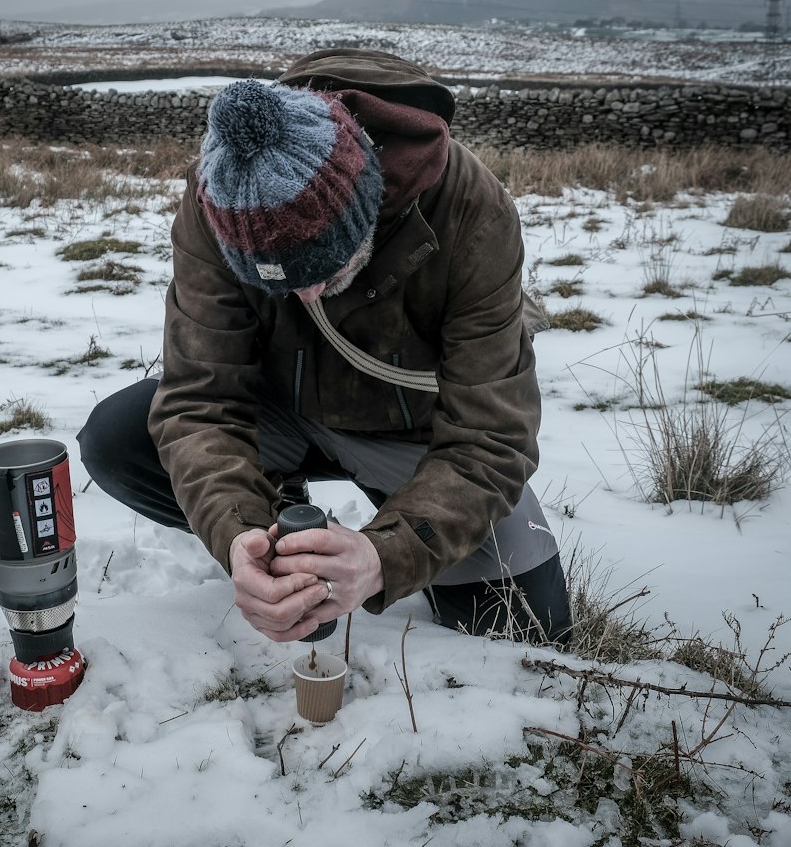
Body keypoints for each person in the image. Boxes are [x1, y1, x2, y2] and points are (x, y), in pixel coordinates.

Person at [77, 48, 571, 646]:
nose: (305, 293)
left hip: (421, 436)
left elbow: (491, 438)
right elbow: (199, 402)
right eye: (275, 282)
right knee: (120, 438)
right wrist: (242, 534)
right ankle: (285, 515)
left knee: (526, 634)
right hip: (284, 415)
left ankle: (378, 535)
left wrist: (385, 554)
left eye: (323, 271)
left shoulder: (471, 211)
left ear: (370, 204)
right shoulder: (223, 196)